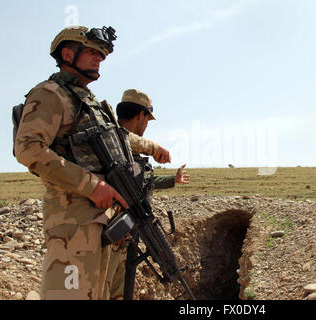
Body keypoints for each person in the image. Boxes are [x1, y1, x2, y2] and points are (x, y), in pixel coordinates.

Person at [14, 26, 170, 300]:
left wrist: (153, 147)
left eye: (101, 54)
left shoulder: (88, 102)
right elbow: (28, 149)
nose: (98, 59)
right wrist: (91, 185)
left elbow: (119, 137)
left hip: (103, 220)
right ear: (67, 53)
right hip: (73, 221)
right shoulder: (51, 94)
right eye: (91, 52)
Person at [116, 89, 190, 198]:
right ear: (141, 115)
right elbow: (123, 137)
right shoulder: (112, 140)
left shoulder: (128, 149)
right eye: (147, 119)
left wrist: (173, 179)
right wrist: (154, 149)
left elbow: (140, 181)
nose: (147, 124)